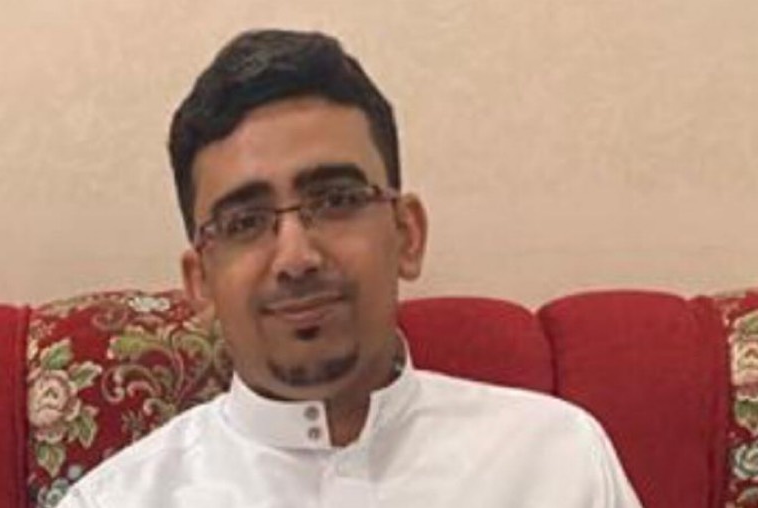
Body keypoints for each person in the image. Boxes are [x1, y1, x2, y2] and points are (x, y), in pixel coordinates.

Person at [57, 29, 642, 507]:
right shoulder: (115, 501)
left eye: (336, 200)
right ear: (201, 283)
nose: (296, 257)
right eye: (244, 222)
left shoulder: (557, 460)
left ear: (407, 234)